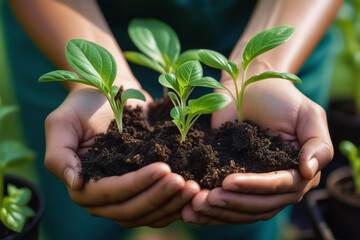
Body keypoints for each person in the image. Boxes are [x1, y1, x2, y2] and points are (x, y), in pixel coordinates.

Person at [2, 0, 342, 239]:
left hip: (280, 18)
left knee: (245, 221)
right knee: (79, 222)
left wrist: (265, 69)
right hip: (63, 20)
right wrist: (93, 82)